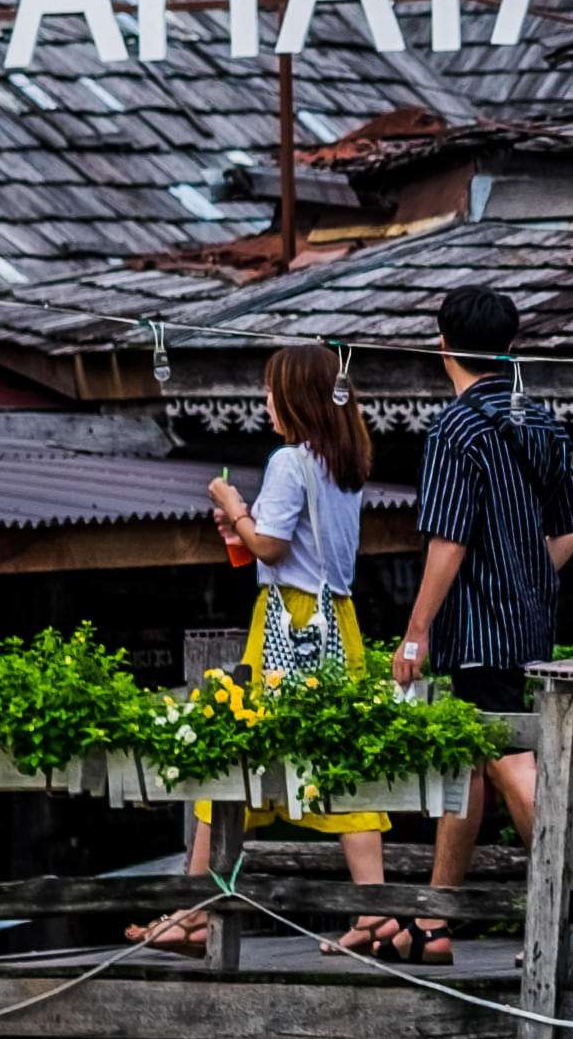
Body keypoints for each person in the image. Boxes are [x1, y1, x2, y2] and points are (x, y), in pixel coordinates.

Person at [143, 344, 405, 958]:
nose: (264, 403)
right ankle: (375, 910)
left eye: (270, 391)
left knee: (237, 752)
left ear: (293, 397)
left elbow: (270, 549)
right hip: (338, 624)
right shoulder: (343, 461)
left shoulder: (290, 460)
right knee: (337, 762)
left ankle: (195, 911)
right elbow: (287, 546)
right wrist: (246, 528)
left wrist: (233, 506)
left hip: (290, 625)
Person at [395, 286, 573, 919]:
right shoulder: (541, 419)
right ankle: (436, 915)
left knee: (508, 758)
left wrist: (416, 628)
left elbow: (447, 538)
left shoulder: (454, 428)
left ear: (443, 346)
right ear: (510, 349)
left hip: (478, 628)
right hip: (531, 621)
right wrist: (531, 572)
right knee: (473, 758)